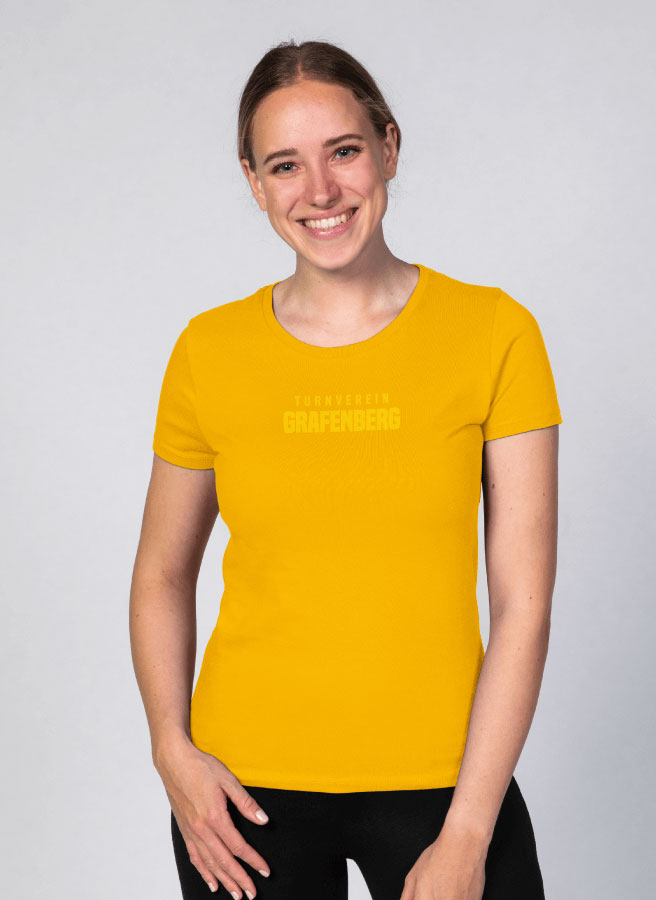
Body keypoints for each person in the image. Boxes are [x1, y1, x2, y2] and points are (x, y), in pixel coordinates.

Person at [130, 38, 562, 900]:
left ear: (388, 148)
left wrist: (469, 828)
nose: (319, 190)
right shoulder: (209, 351)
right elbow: (161, 572)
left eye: (344, 151)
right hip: (241, 795)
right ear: (254, 182)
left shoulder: (493, 334)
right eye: (284, 165)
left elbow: (523, 602)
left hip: (446, 785)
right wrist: (170, 750)